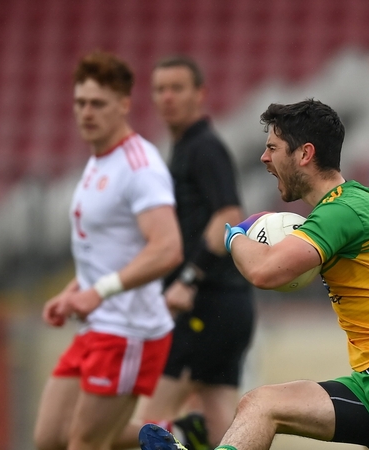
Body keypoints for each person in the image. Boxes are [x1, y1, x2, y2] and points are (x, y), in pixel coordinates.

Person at [138, 98, 369, 450]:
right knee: (261, 405)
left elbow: (264, 271)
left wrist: (234, 237)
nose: (264, 158)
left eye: (273, 148)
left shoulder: (338, 213)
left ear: (305, 154)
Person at [34, 50, 183, 450]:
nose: (86, 112)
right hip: (97, 324)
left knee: (84, 444)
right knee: (49, 438)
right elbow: (107, 250)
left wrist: (97, 292)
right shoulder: (98, 160)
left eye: (97, 103)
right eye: (80, 103)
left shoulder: (139, 164)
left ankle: (175, 436)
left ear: (123, 104)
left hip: (129, 330)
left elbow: (168, 248)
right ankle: (175, 436)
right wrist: (73, 291)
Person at [111, 56, 257, 450]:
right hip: (227, 305)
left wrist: (189, 278)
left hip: (205, 304)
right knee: (221, 422)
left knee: (144, 427)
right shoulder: (181, 150)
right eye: (159, 89)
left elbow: (229, 214)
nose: (167, 97)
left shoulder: (203, 148)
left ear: (200, 95)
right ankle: (189, 435)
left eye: (177, 88)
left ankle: (180, 437)